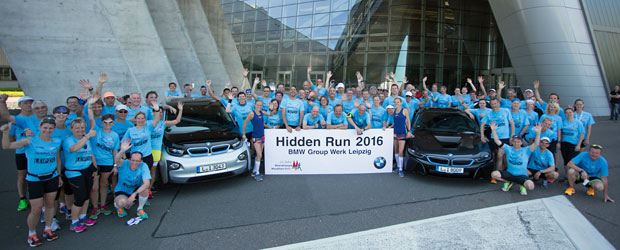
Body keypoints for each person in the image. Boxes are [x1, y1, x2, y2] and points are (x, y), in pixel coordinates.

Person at [2, 119, 62, 247]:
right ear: (40, 127)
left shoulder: (56, 141)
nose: (48, 130)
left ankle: (48, 228)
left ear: (54, 129)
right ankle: (32, 233)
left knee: (50, 204)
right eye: (45, 127)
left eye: (51, 128)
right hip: (35, 179)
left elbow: (57, 159)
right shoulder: (29, 141)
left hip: (52, 177)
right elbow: (7, 146)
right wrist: (5, 133)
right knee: (36, 208)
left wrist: (59, 176)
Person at [86, 96, 120, 220]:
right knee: (94, 186)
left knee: (104, 184)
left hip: (107, 162)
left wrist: (115, 165)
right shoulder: (96, 130)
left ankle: (103, 205)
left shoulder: (115, 135)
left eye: (110, 122)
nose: (108, 124)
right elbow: (90, 117)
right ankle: (95, 207)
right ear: (102, 123)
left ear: (113, 123)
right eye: (105, 122)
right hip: (95, 162)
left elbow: (115, 151)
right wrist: (90, 105)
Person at [0, 94, 34, 211]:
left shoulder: (37, 118)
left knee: (36, 175)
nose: (29, 105)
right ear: (20, 105)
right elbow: (10, 138)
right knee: (22, 175)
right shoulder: (16, 120)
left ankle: (37, 199)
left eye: (30, 102)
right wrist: (3, 102)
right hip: (22, 152)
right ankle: (23, 198)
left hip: (36, 152)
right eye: (26, 103)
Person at [63, 118, 97, 233]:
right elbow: (74, 149)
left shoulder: (85, 140)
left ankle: (83, 216)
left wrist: (94, 168)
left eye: (82, 127)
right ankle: (74, 222)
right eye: (77, 128)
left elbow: (91, 154)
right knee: (80, 197)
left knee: (86, 195)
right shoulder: (69, 140)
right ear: (71, 129)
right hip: (74, 172)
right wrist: (87, 136)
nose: (80, 130)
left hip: (86, 170)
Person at [490, 123, 542, 196]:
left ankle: (521, 185)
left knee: (531, 186)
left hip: (521, 175)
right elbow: (497, 141)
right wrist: (494, 130)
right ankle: (508, 181)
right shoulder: (508, 148)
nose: (516, 143)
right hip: (509, 174)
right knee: (494, 174)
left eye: (518, 141)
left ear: (521, 142)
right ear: (512, 142)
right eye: (514, 141)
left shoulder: (526, 150)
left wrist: (538, 133)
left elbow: (536, 144)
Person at [121, 102, 162, 190]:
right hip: (135, 158)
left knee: (146, 176)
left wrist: (157, 110)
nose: (140, 120)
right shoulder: (130, 130)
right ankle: (135, 194)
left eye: (142, 118)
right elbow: (123, 144)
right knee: (136, 177)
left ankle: (146, 193)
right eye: (138, 118)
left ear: (145, 119)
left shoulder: (148, 128)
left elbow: (156, 120)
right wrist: (124, 156)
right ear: (135, 119)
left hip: (147, 156)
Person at [149, 101, 184, 195]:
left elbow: (177, 121)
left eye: (161, 112)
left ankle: (148, 190)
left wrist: (180, 110)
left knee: (152, 170)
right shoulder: (148, 123)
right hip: (146, 150)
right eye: (157, 112)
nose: (159, 114)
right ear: (153, 113)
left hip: (156, 150)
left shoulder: (163, 124)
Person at [113, 140, 152, 219]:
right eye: (133, 160)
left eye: (137, 161)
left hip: (135, 189)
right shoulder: (124, 163)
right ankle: (117, 205)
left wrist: (134, 194)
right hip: (122, 190)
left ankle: (140, 209)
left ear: (141, 161)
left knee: (145, 190)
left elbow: (146, 183)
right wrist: (122, 151)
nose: (134, 163)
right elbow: (116, 159)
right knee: (123, 203)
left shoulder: (144, 166)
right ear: (129, 159)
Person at [480, 98, 515, 182]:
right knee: (495, 156)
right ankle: (500, 172)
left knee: (500, 156)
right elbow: (482, 125)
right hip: (493, 137)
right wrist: (482, 136)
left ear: (498, 103)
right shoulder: (489, 113)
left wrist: (512, 136)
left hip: (504, 137)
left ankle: (496, 175)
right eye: (492, 104)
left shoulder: (505, 111)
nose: (494, 106)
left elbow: (512, 124)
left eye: (495, 103)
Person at [242, 100, 273, 181]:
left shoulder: (262, 112)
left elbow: (271, 114)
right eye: (258, 105)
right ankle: (257, 173)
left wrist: (271, 109)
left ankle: (254, 171)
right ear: (255, 105)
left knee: (259, 155)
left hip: (262, 136)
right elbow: (245, 123)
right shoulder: (252, 113)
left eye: (260, 105)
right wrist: (244, 134)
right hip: (256, 137)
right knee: (259, 155)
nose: (259, 106)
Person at [392, 98, 413, 177]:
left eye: (398, 102)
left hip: (402, 133)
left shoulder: (404, 110)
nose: (396, 103)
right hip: (395, 133)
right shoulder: (394, 111)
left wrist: (409, 131)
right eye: (395, 102)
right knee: (396, 150)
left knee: (401, 151)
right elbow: (395, 122)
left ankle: (401, 169)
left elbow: (408, 121)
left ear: (401, 103)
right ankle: (398, 166)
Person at [560, 107, 585, 176]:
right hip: (564, 144)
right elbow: (561, 132)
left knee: (570, 162)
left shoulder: (578, 123)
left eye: (570, 112)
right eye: (567, 113)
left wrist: (578, 145)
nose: (569, 114)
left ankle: (572, 176)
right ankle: (567, 176)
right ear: (565, 114)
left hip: (573, 144)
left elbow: (582, 134)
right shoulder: (563, 122)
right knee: (565, 161)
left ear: (573, 113)